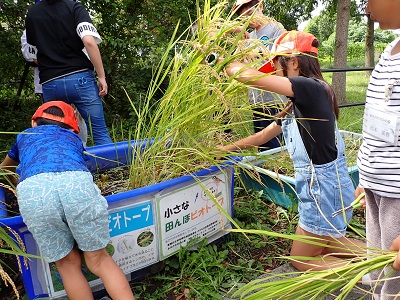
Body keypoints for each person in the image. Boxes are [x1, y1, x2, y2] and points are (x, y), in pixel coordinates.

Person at [213, 30, 365, 271]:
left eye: (277, 67)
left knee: (301, 259)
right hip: (329, 187)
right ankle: (382, 259)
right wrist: (224, 149)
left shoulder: (311, 88)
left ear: (293, 61)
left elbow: (246, 76)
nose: (274, 74)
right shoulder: (301, 101)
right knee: (328, 244)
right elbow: (263, 135)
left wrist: (218, 57)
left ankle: (369, 277)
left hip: (322, 191)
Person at [0, 101, 135, 300]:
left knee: (67, 264)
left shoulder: (24, 136)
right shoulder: (73, 139)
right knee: (99, 260)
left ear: (33, 122)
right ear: (73, 128)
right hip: (76, 184)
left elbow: (5, 168)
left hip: (35, 191)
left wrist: (17, 184)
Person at [355, 0, 400, 298]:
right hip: (377, 184)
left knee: (394, 281)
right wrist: (365, 177)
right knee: (379, 270)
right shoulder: (391, 49)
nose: (366, 7)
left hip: (397, 191)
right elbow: (375, 121)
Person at [24, 0, 112, 145]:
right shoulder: (74, 7)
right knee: (99, 133)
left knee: (54, 137)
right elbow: (89, 41)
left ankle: (63, 165)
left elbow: (33, 53)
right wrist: (101, 76)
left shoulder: (32, 13)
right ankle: (107, 167)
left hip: (50, 82)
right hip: (80, 78)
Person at [21, 26, 88, 147]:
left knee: (77, 117)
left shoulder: (70, 21)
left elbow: (85, 50)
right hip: (48, 82)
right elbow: (29, 54)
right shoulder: (32, 26)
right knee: (51, 120)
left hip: (75, 79)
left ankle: (80, 148)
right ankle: (55, 149)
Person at [232, 0, 286, 151]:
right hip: (256, 99)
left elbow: (281, 58)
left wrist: (255, 53)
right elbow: (240, 62)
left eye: (250, 13)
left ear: (260, 7)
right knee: (263, 146)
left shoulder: (276, 28)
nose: (248, 20)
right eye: (244, 18)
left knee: (275, 147)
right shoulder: (250, 36)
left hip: (273, 98)